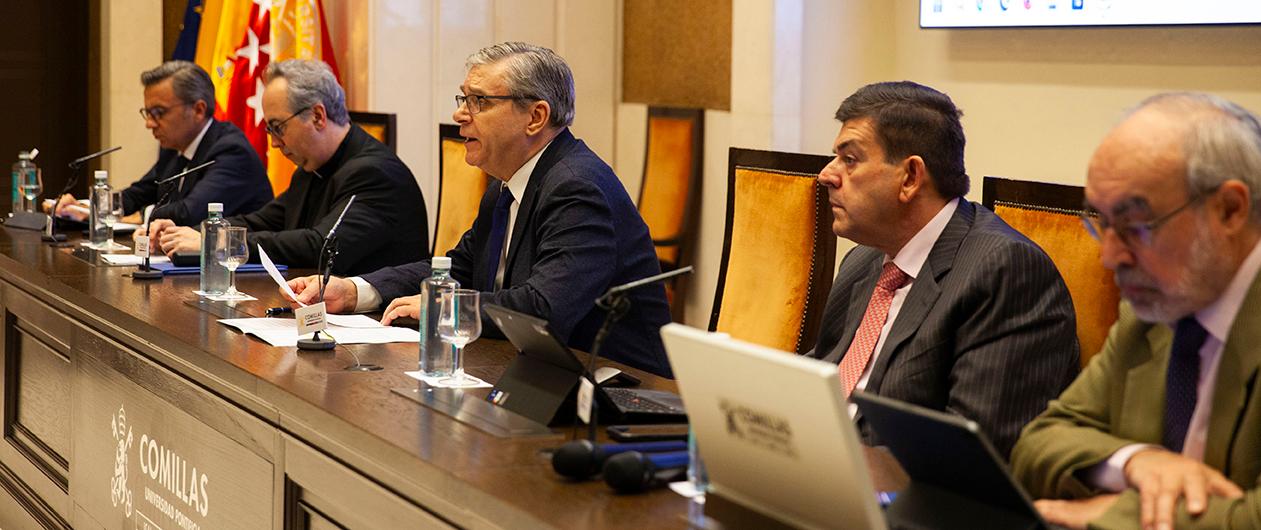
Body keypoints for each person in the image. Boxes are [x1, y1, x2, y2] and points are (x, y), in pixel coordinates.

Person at [284, 42, 673, 377]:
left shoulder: (577, 186)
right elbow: (460, 269)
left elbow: (544, 309)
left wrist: (441, 305)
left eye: (480, 101)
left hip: (620, 395)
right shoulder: (507, 183)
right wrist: (356, 291)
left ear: (536, 117)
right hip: (534, 375)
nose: (460, 114)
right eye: (464, 98)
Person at [1011, 93, 1261, 530]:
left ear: (1230, 209)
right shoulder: (1148, 317)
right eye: (1103, 223)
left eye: (1136, 227)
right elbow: (1037, 444)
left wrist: (1111, 516)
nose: (1109, 257)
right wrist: (1135, 462)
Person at [808, 81, 1079, 458]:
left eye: (849, 160)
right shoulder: (864, 261)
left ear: (910, 177)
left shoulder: (1004, 271)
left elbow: (976, 449)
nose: (827, 175)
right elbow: (823, 373)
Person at [150, 59, 427, 276]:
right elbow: (263, 220)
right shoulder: (313, 167)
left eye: (278, 128)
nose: (273, 143)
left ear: (318, 116)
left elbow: (320, 246)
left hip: (378, 328)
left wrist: (219, 243)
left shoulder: (374, 173)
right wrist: (200, 232)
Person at [51, 61, 271, 225]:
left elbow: (190, 213)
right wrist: (87, 207)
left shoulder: (232, 152)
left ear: (198, 109)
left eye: (159, 113)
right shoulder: (174, 148)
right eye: (147, 113)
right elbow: (137, 194)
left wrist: (139, 216)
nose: (149, 124)